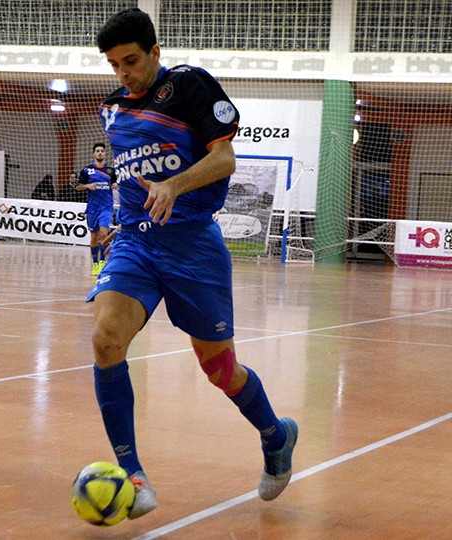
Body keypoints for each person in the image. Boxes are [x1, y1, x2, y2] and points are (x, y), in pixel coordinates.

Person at [85, 8, 298, 520]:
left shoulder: (190, 87)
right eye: (114, 65)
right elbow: (131, 176)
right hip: (136, 244)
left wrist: (173, 186)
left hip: (193, 246)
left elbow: (225, 161)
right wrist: (119, 218)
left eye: (131, 61)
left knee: (220, 369)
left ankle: (275, 435)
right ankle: (132, 477)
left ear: (155, 53)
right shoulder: (112, 111)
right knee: (106, 339)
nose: (123, 73)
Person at [75, 144, 117, 276]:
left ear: (105, 154)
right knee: (94, 237)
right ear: (93, 154)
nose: (100, 153)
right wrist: (87, 185)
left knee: (104, 234)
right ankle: (95, 263)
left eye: (102, 151)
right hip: (93, 208)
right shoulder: (87, 170)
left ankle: (102, 262)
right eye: (97, 151)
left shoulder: (111, 171)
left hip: (106, 207)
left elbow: (115, 183)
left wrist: (115, 184)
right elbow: (78, 187)